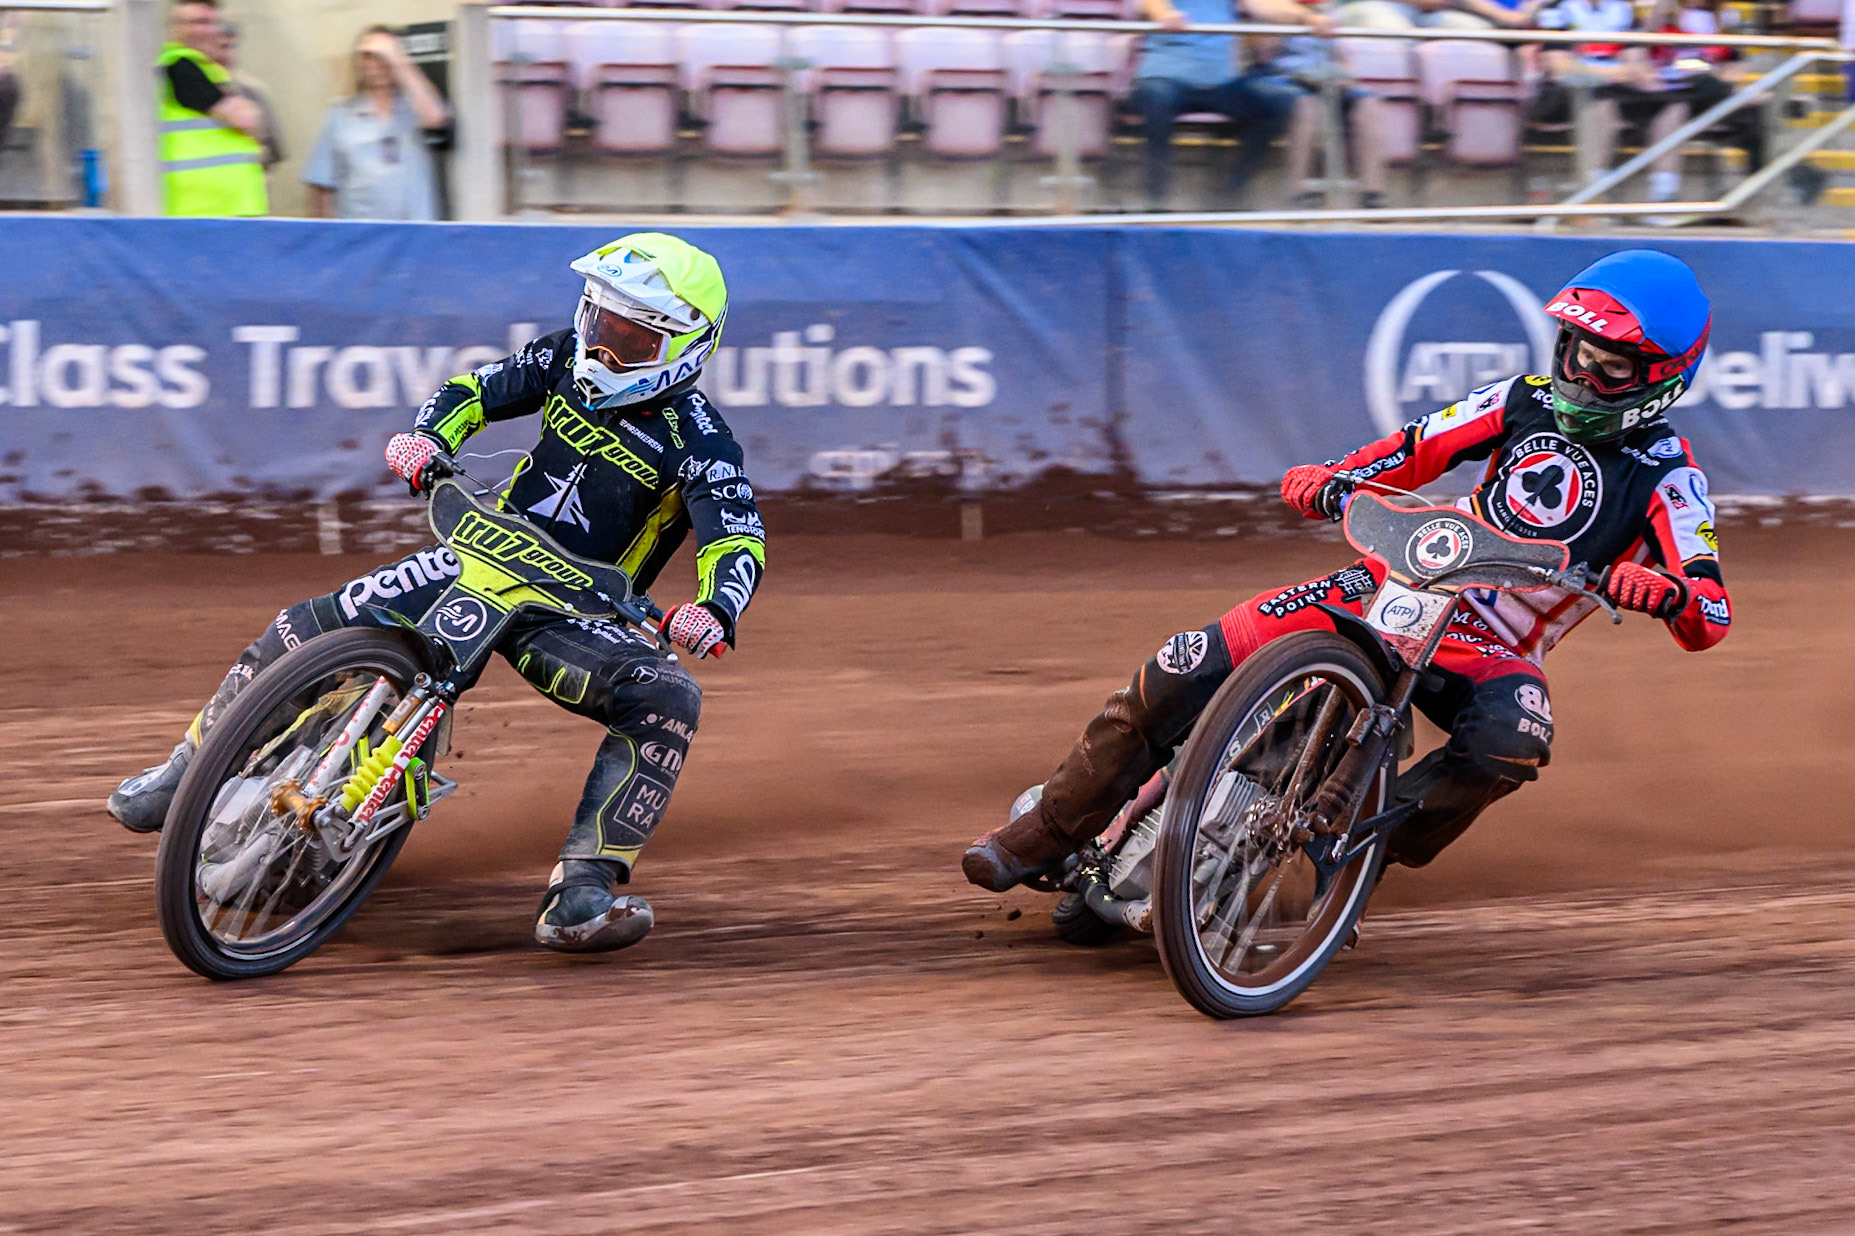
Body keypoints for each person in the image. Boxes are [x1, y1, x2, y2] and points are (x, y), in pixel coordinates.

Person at [965, 249, 1732, 894]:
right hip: (1401, 585)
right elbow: (1411, 449)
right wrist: (1333, 476)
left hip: (1493, 646)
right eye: (1570, 351)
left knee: (1514, 737)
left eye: (1607, 369)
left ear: (1660, 380)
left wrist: (1665, 592)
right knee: (1184, 661)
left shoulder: (1669, 477)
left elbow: (1711, 613)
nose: (1577, 376)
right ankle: (1047, 829)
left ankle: (1357, 856)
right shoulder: (1516, 400)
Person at [108, 233, 767, 955]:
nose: (602, 350)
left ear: (683, 347)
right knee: (301, 626)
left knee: (668, 696)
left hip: (575, 612)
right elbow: (473, 392)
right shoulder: (556, 357)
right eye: (597, 322)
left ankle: (581, 888)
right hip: (474, 552)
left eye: (628, 337)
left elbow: (736, 537)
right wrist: (427, 438)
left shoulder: (702, 443)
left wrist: (714, 608)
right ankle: (185, 774)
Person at [1529, 0, 1742, 204]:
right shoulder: (1556, 8)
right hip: (1565, 89)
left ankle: (1664, 193)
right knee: (1601, 102)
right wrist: (1618, 72)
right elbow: (1558, 66)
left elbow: (1636, 61)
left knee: (1672, 103)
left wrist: (1642, 77)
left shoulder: (1623, 9)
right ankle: (1592, 191)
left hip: (1615, 84)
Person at [1129, 0, 1326, 207]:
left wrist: (1308, 18)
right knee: (1157, 99)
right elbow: (1150, 3)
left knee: (1278, 104)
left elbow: (1264, 4)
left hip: (1220, 83)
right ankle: (1155, 200)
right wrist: (1164, 14)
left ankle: (1231, 194)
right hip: (1164, 77)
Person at [303, 26, 450, 221]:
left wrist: (399, 60)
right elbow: (320, 185)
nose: (378, 64)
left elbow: (436, 118)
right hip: (362, 239)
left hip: (415, 238)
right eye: (369, 56)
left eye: (385, 57)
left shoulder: (415, 107)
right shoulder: (341, 114)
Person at [157, 0, 268, 216]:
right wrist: (248, 113)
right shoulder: (178, 63)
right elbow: (246, 119)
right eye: (194, 22)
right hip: (197, 211)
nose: (202, 30)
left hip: (226, 210)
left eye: (210, 22)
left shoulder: (206, 68)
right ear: (173, 27)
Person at [216, 19, 284, 174]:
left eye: (231, 46)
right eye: (220, 47)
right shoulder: (192, 91)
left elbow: (272, 155)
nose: (226, 55)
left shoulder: (255, 93)